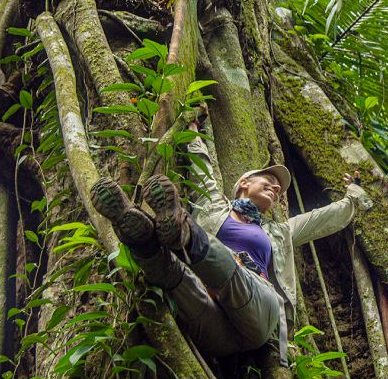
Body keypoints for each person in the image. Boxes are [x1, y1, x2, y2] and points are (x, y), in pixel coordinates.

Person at [90, 131, 372, 363]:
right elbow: (203, 172)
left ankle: (184, 236)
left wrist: (354, 194)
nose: (276, 188)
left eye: (279, 189)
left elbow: (325, 219)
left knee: (230, 270)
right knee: (174, 277)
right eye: (270, 181)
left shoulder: (280, 231)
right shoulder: (214, 207)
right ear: (244, 183)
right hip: (214, 327)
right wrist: (192, 128)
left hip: (255, 314)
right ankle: (141, 238)